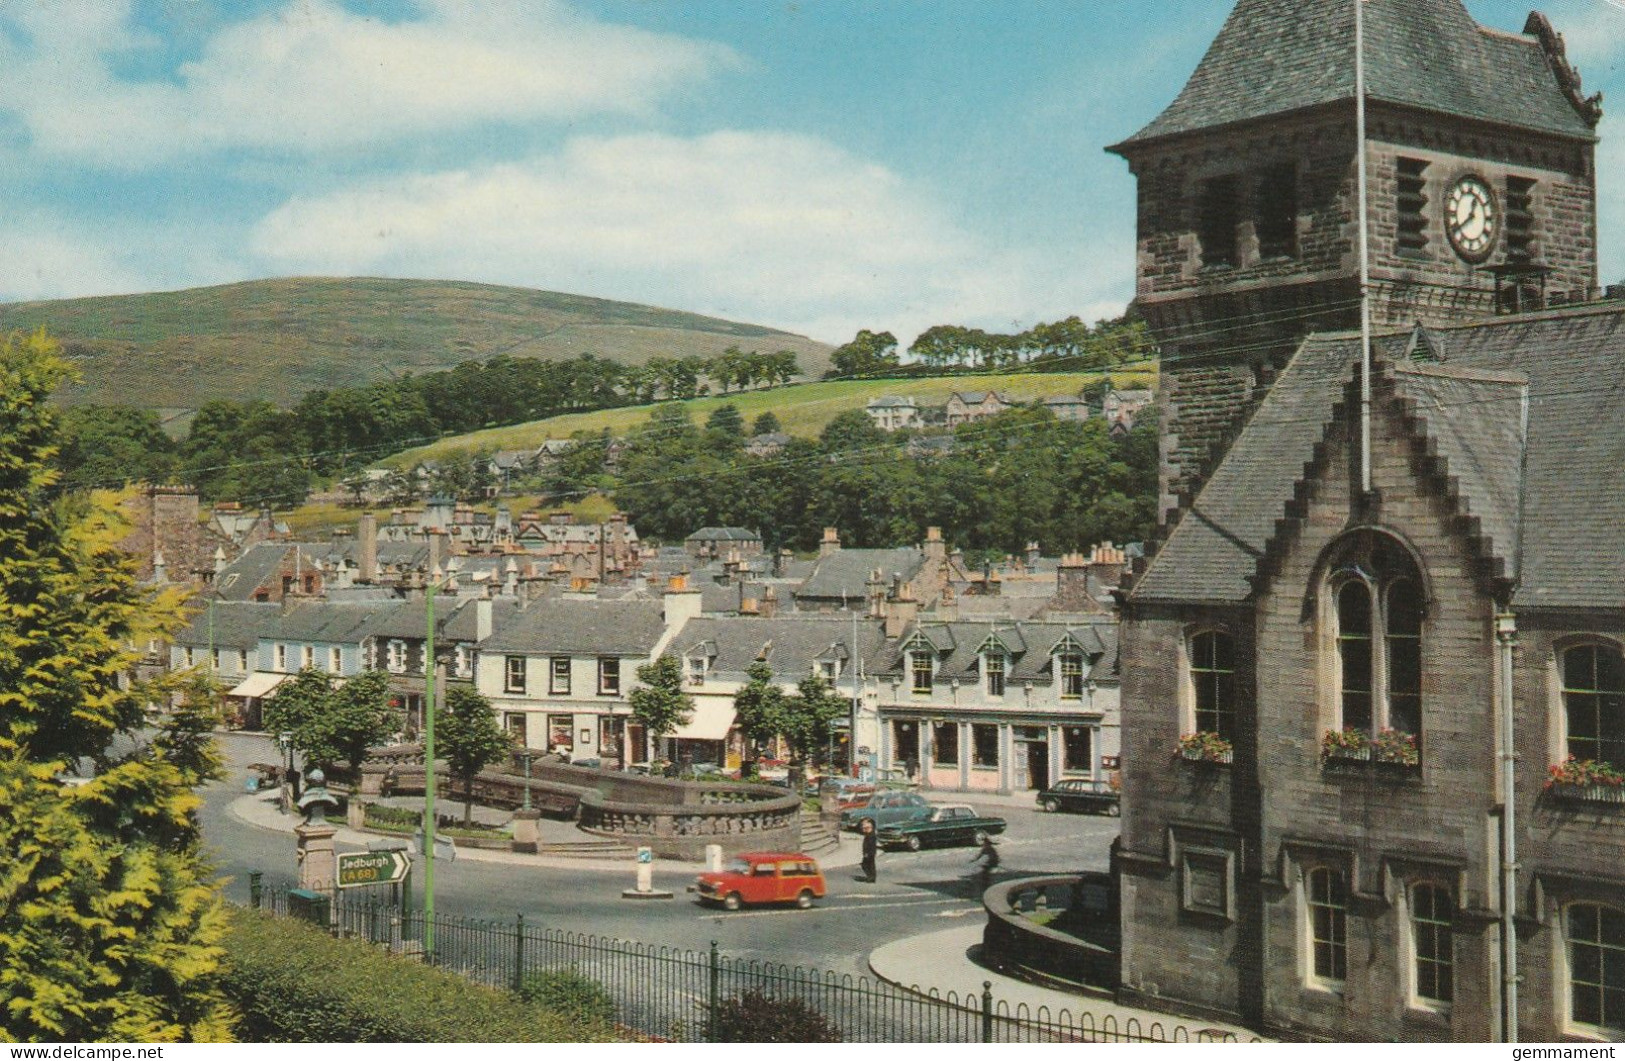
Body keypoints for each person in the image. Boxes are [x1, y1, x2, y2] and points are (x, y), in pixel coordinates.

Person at [859, 818, 878, 883]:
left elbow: (869, 845)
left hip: (870, 852)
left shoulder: (871, 835)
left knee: (866, 865)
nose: (863, 827)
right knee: (870, 865)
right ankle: (871, 877)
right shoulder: (869, 834)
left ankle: (871, 877)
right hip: (870, 852)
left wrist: (867, 853)